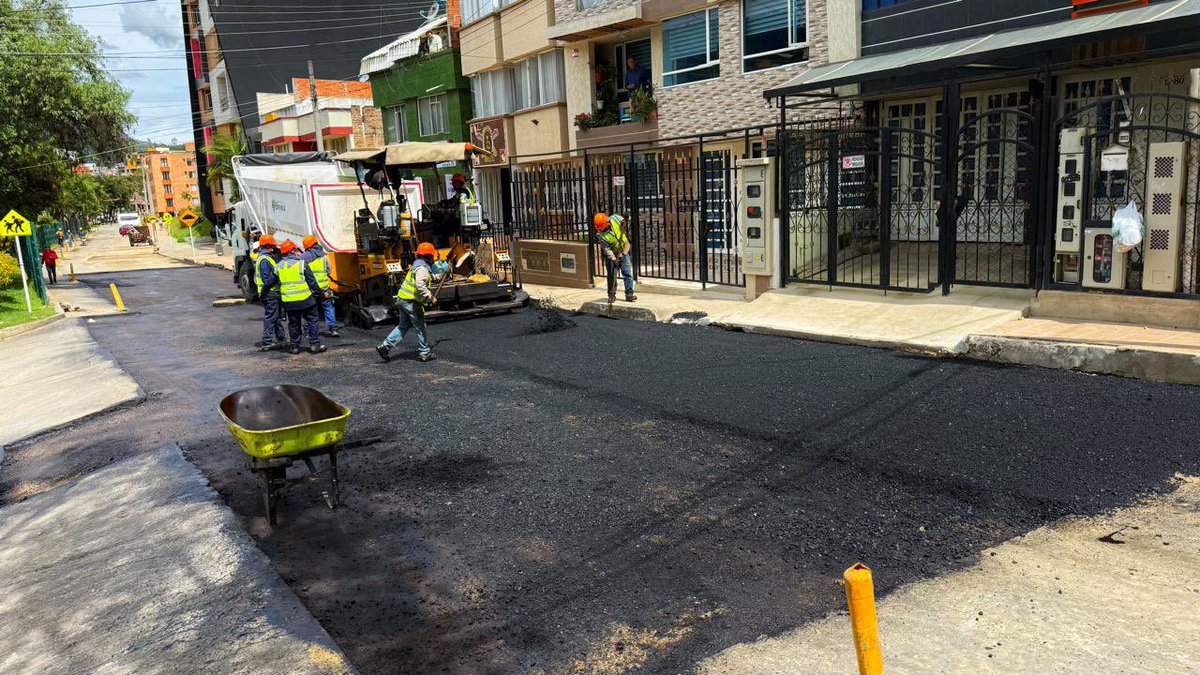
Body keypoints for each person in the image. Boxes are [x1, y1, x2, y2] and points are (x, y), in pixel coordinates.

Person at [376, 242, 441, 363]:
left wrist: (439, 272)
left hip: (402, 299)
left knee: (403, 326)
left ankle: (385, 347)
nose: (433, 258)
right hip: (411, 302)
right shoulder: (422, 269)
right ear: (427, 256)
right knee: (420, 326)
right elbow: (420, 285)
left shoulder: (418, 266)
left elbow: (429, 276)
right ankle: (424, 353)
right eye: (432, 256)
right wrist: (430, 297)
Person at [276, 239, 326, 355]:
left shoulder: (278, 267)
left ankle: (295, 347)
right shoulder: (302, 264)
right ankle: (314, 345)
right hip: (306, 300)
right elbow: (312, 282)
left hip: (289, 302)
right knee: (312, 321)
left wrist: (263, 293)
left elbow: (271, 282)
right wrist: (321, 293)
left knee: (294, 324)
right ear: (293, 251)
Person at [301, 235, 340, 338]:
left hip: (310, 290)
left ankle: (308, 332)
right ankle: (333, 329)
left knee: (309, 310)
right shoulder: (323, 255)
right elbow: (329, 270)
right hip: (324, 288)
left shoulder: (303, 257)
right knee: (328, 307)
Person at [253, 235, 286, 350]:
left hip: (271, 293)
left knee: (276, 316)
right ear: (268, 246)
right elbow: (267, 279)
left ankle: (281, 337)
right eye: (272, 246)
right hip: (270, 293)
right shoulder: (265, 260)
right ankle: (267, 340)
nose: (273, 248)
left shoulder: (265, 258)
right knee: (271, 316)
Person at [594, 212, 636, 303]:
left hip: (624, 249)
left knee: (627, 273)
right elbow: (606, 249)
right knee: (612, 276)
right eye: (600, 228)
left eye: (603, 227)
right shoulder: (600, 235)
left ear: (607, 222)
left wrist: (625, 221)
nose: (602, 230)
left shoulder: (615, 218)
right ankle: (611, 295)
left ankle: (629, 294)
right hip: (612, 254)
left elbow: (625, 221)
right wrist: (614, 259)